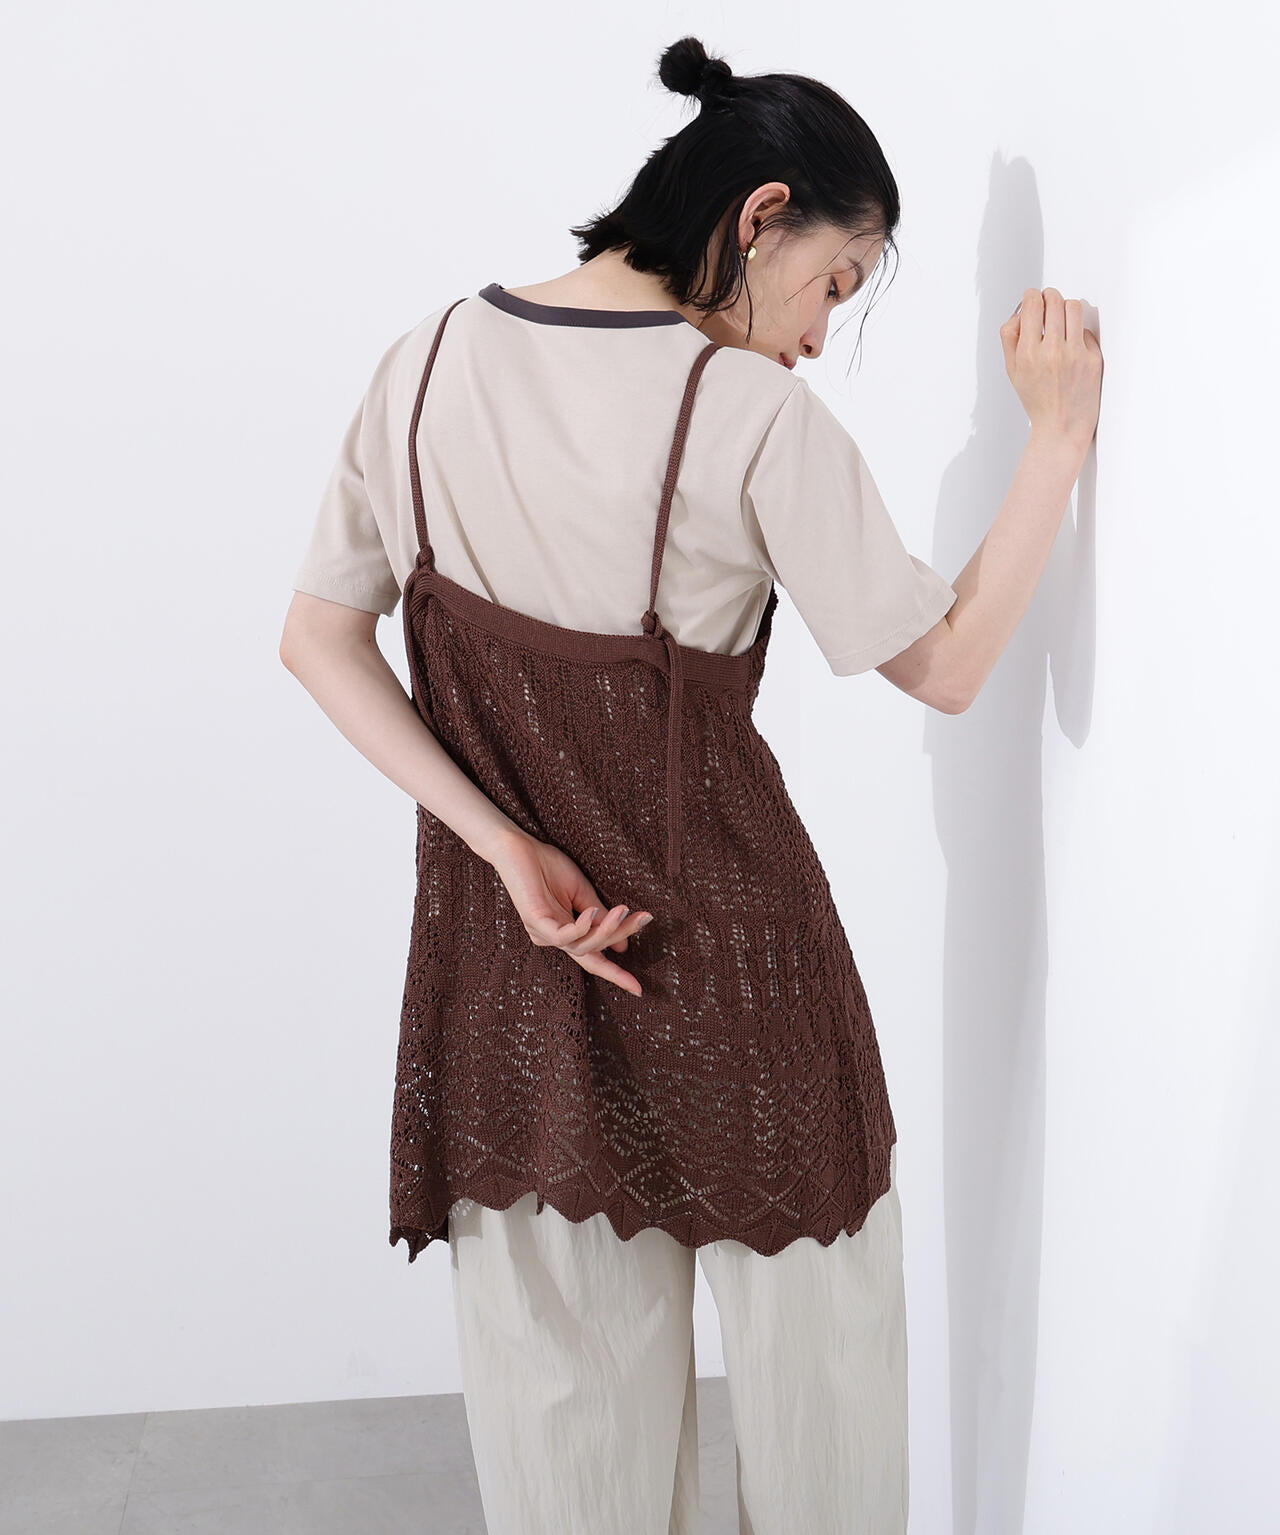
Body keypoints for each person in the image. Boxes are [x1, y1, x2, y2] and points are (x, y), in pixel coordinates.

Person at [279, 34, 1102, 1535]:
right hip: (745, 977)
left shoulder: (425, 362)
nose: (820, 337)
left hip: (516, 975)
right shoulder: (751, 419)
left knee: (564, 1436)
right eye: (835, 285)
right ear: (761, 214)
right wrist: (1054, 438)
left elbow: (319, 640)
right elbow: (948, 663)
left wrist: (504, 846)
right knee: (822, 1398)